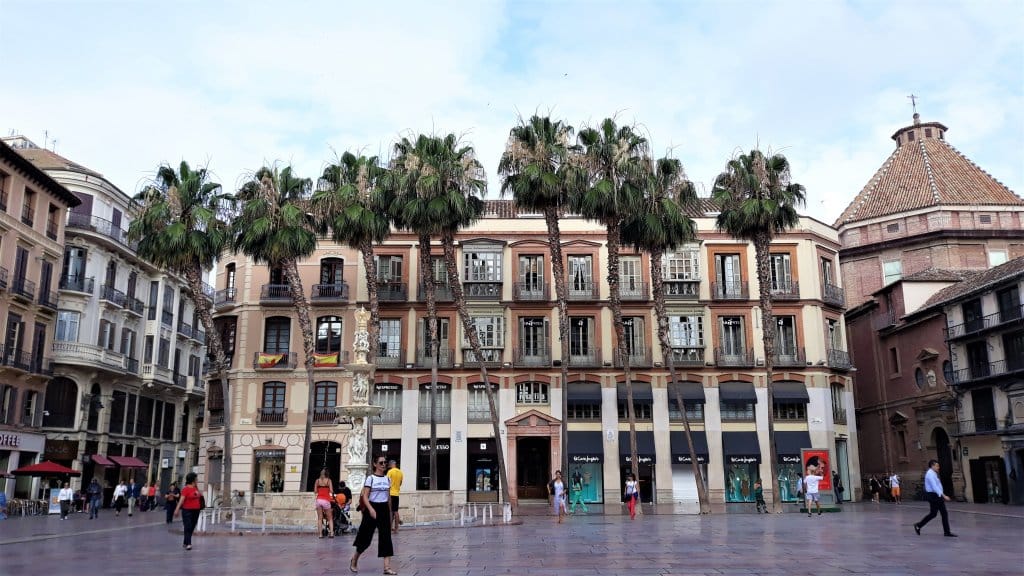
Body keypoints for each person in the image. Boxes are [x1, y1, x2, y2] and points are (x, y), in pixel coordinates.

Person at [350, 455, 396, 575]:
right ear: (375, 464)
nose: (383, 465)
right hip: (372, 508)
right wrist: (370, 509)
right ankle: (354, 559)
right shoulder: (370, 479)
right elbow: (365, 496)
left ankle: (387, 567)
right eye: (381, 463)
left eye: (385, 463)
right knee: (365, 538)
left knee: (386, 537)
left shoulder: (387, 479)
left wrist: (390, 513)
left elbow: (389, 498)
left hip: (384, 508)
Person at [914, 459, 957, 537]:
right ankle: (946, 532)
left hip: (936, 496)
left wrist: (942, 494)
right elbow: (934, 487)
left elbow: (937, 487)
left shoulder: (933, 473)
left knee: (934, 514)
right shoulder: (930, 474)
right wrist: (944, 496)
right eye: (937, 466)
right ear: (932, 466)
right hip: (933, 496)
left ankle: (919, 525)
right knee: (942, 513)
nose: (938, 467)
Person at [174, 472, 203, 550]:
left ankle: (185, 541)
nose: (197, 480)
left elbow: (200, 495)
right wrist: (177, 509)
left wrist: (197, 488)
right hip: (187, 510)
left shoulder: (196, 488)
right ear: (193, 480)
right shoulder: (185, 489)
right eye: (196, 479)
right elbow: (181, 500)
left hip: (196, 510)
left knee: (192, 526)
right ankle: (189, 543)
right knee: (188, 526)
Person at [314, 468, 335, 539]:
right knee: (330, 518)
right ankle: (331, 533)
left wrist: (320, 489)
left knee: (320, 518)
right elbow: (331, 491)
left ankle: (320, 534)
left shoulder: (317, 480)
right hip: (326, 500)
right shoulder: (329, 480)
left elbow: (315, 491)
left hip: (319, 500)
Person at [386, 460, 404, 533]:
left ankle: (389, 528)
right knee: (396, 511)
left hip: (390, 494)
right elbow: (400, 483)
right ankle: (396, 529)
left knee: (390, 511)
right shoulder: (400, 472)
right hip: (396, 494)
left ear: (391, 464)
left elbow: (387, 483)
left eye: (389, 465)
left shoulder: (390, 472)